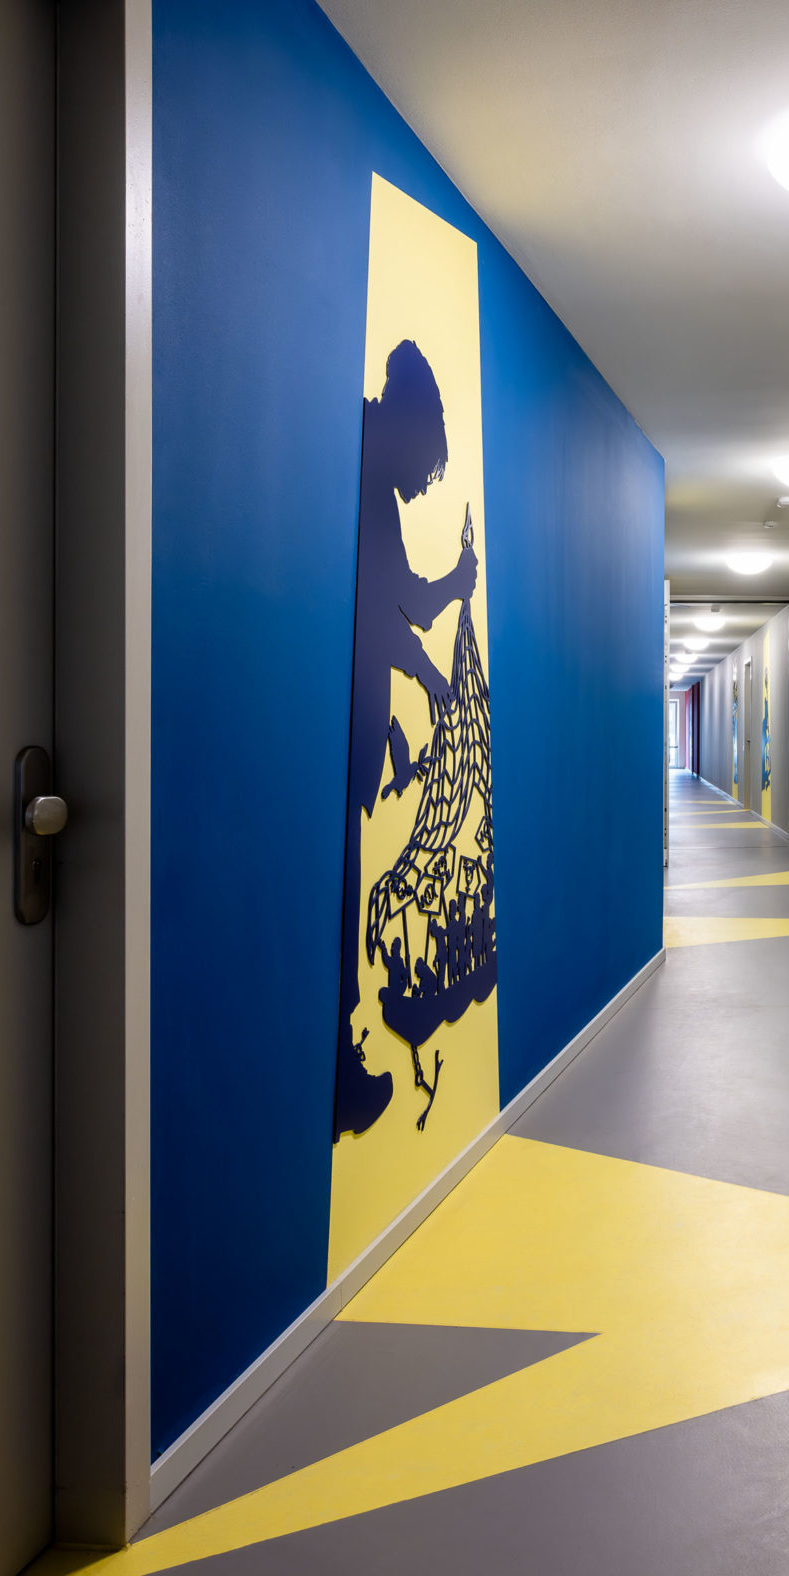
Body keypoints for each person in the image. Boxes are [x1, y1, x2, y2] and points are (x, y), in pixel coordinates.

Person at [334, 340, 481, 1140]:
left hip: (351, 739)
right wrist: (455, 587)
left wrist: (429, 674)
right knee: (338, 894)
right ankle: (341, 1073)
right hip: (341, 738)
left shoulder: (363, 468)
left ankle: (342, 1058)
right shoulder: (360, 467)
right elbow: (403, 611)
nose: (423, 483)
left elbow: (391, 612)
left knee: (342, 892)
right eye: (426, 466)